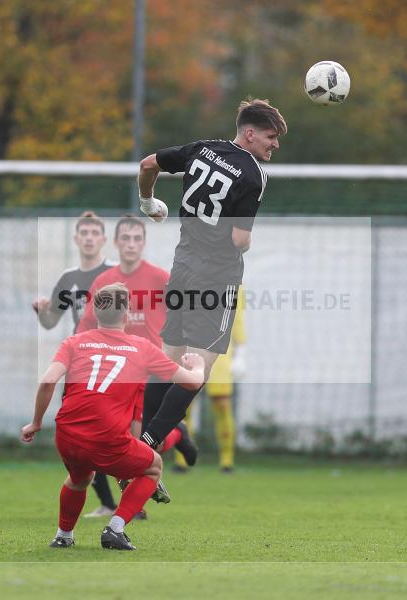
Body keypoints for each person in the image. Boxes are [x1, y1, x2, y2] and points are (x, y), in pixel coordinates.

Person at [135, 98, 287, 450]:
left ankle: (141, 447)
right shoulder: (253, 175)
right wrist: (245, 242)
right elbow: (240, 239)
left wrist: (147, 202)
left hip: (183, 267)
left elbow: (147, 164)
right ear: (249, 134)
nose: (275, 144)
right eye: (270, 136)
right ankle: (146, 446)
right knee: (196, 373)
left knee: (166, 363)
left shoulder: (202, 149)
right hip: (216, 278)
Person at [21, 283, 205, 551]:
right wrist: (197, 366)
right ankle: (115, 529)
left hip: (67, 435)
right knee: (153, 466)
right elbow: (191, 383)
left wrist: (36, 423)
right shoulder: (142, 347)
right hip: (107, 438)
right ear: (127, 313)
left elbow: (48, 380)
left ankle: (63, 535)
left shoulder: (74, 342)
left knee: (79, 478)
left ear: (95, 311)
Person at [77, 215, 198, 472]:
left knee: (143, 440)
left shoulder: (160, 278)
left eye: (136, 239)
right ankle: (177, 433)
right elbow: (86, 324)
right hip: (118, 370)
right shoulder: (104, 282)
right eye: (126, 239)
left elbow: (186, 313)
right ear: (116, 243)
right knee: (121, 439)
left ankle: (175, 435)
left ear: (143, 243)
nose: (131, 244)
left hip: (152, 369)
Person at [31, 211, 119, 519]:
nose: (90, 238)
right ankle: (110, 503)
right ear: (77, 239)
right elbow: (50, 321)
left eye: (95, 233)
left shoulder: (115, 274)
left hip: (114, 363)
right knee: (84, 432)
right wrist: (41, 311)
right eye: (85, 233)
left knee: (118, 430)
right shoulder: (69, 279)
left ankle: (126, 495)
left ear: (104, 240)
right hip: (80, 363)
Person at [174, 287, 246, 474]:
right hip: (190, 350)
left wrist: (241, 353)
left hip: (220, 354)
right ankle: (181, 460)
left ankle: (227, 461)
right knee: (183, 405)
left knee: (222, 405)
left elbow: (237, 320)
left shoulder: (233, 285)